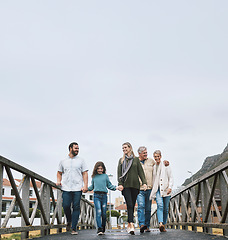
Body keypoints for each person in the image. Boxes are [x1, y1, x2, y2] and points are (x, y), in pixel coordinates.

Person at [57, 142, 88, 235]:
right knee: (66, 206)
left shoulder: (81, 160)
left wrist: (85, 185)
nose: (77, 150)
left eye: (78, 148)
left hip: (77, 188)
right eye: (76, 148)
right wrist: (58, 180)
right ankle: (69, 221)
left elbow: (85, 173)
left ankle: (74, 228)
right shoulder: (63, 161)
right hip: (66, 188)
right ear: (70, 148)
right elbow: (59, 172)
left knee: (76, 207)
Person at [137, 146, 170, 233]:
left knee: (148, 209)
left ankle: (147, 226)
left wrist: (165, 162)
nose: (146, 154)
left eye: (146, 152)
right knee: (141, 206)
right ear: (139, 153)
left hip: (150, 189)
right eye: (144, 153)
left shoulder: (151, 161)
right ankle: (141, 225)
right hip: (140, 189)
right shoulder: (135, 162)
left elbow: (160, 165)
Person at [117, 142, 147, 235]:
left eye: (125, 147)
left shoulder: (136, 160)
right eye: (123, 148)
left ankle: (129, 225)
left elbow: (140, 172)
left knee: (132, 205)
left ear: (130, 148)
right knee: (129, 204)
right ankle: (131, 224)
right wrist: (120, 184)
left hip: (135, 186)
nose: (124, 149)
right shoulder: (121, 160)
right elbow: (119, 174)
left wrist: (144, 183)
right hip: (125, 186)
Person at [88, 161, 119, 235]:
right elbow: (92, 187)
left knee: (104, 213)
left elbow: (109, 186)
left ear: (103, 169)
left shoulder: (105, 176)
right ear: (96, 169)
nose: (99, 170)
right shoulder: (94, 177)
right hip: (96, 196)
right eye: (98, 169)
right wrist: (85, 188)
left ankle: (103, 226)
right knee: (98, 212)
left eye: (101, 169)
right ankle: (99, 229)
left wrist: (116, 188)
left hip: (104, 196)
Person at [149, 150, 173, 232]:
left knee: (166, 209)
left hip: (166, 190)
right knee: (160, 205)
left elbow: (171, 177)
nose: (157, 158)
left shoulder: (166, 165)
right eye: (155, 157)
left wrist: (170, 187)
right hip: (158, 190)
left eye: (158, 156)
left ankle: (164, 225)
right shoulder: (154, 166)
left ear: (160, 156)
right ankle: (160, 223)